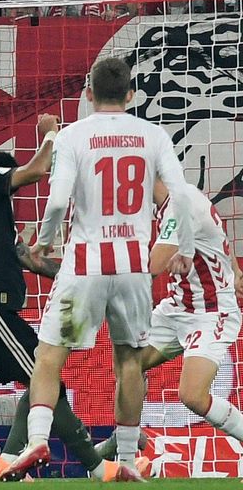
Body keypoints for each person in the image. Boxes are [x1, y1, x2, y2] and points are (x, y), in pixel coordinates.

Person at [2, 57, 196, 481]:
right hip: (133, 267)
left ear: (87, 94)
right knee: (128, 360)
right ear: (130, 94)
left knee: (50, 356)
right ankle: (126, 460)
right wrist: (180, 244)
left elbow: (56, 201)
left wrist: (44, 242)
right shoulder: (153, 134)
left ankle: (37, 439)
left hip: (85, 265)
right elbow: (181, 197)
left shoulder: (74, 135)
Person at [0, 117, 134, 482]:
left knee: (40, 383)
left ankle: (11, 463)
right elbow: (37, 169)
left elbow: (29, 259)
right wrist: (50, 132)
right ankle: (95, 466)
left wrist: (93, 273)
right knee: (45, 379)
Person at [97, 180, 243, 460]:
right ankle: (127, 448)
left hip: (211, 313)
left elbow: (151, 267)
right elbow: (216, 238)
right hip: (177, 307)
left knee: (192, 396)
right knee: (128, 364)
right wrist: (234, 268)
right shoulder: (176, 198)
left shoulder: (180, 206)